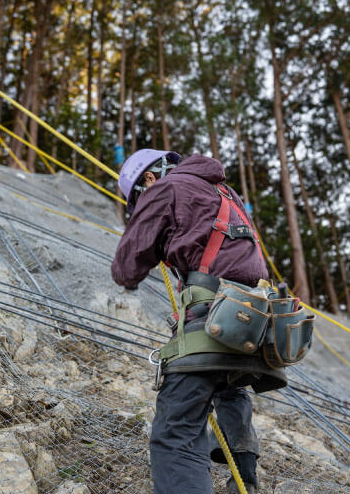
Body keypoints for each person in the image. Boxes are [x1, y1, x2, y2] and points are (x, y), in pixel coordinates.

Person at [111, 149, 287, 494]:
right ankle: (244, 477)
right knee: (229, 383)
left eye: (139, 198)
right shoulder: (225, 192)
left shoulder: (165, 188)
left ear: (149, 178)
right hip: (255, 324)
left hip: (212, 319)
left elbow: (126, 268)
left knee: (175, 433)